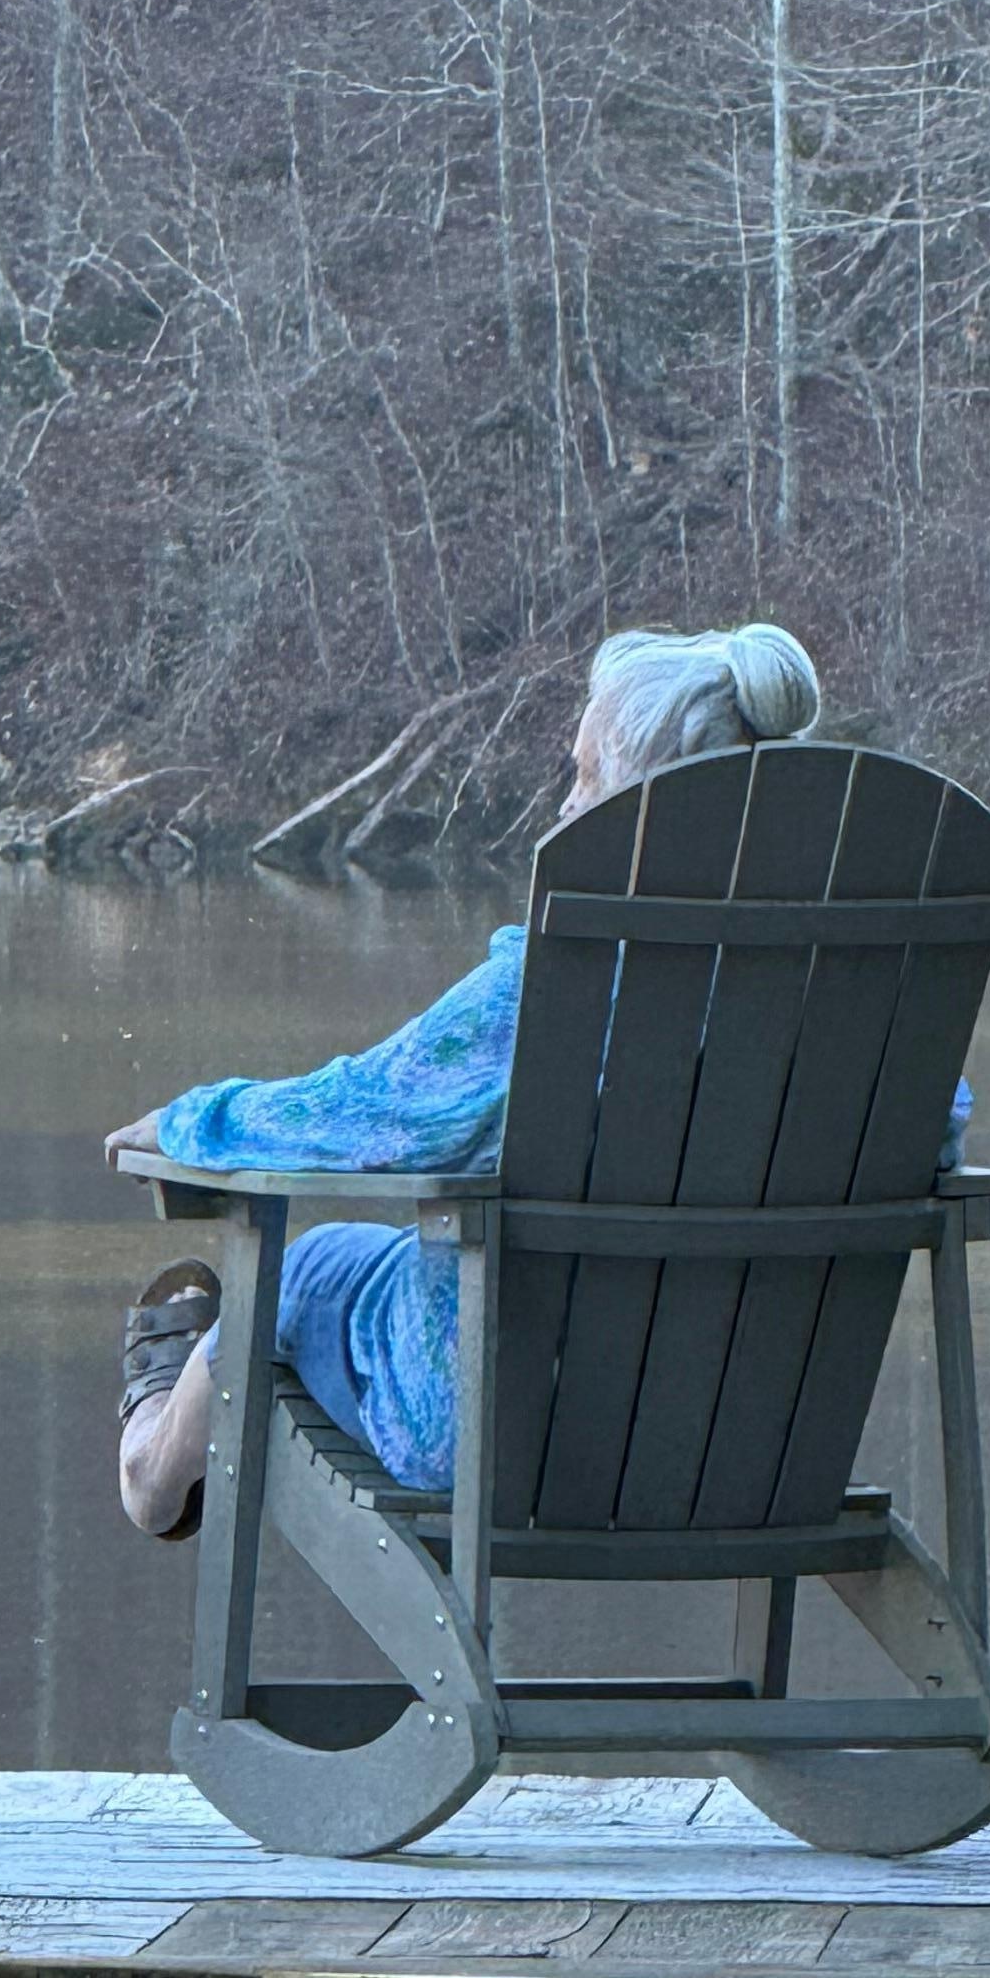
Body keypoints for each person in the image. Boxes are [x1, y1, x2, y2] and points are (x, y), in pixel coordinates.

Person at [108, 623, 832, 1542]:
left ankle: (152, 1472)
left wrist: (192, 1122)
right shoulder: (850, 1002)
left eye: (586, 778)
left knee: (303, 1272)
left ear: (644, 813)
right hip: (748, 1435)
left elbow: (371, 1116)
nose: (564, 807)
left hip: (508, 1428)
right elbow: (939, 1128)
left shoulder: (555, 986)